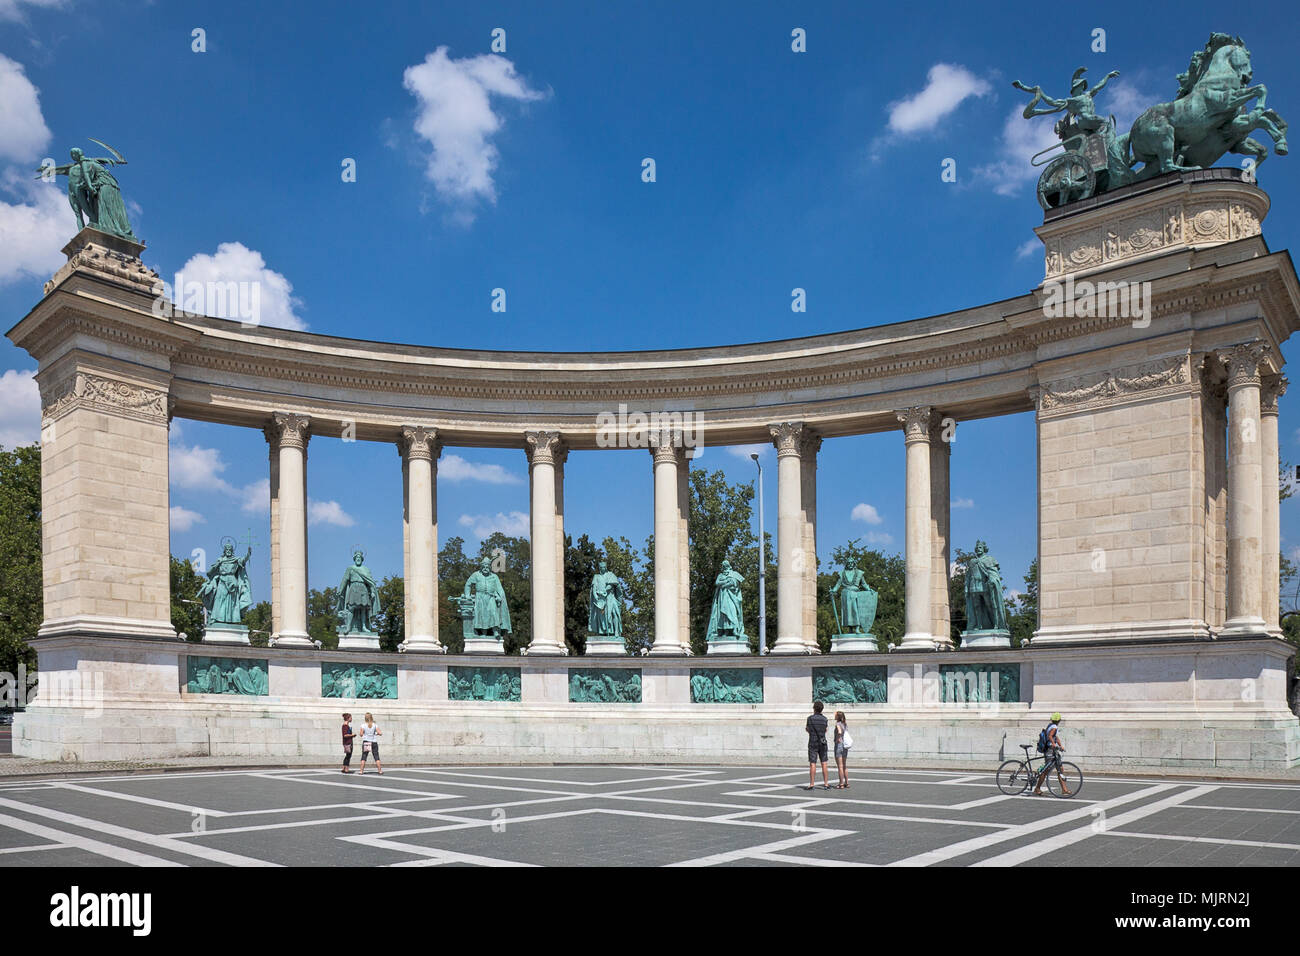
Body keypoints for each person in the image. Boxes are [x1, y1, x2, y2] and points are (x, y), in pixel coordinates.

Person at [1033, 712, 1069, 795]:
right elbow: (1050, 736)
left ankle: (1064, 789)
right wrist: (1053, 744)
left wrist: (1060, 745)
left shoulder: (1051, 726)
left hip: (1053, 751)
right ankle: (1037, 788)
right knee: (1046, 770)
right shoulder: (1054, 727)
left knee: (1060, 769)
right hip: (1050, 750)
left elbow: (1055, 737)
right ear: (1059, 720)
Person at [804, 701, 831, 790]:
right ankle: (826, 783)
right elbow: (826, 730)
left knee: (813, 763)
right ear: (822, 709)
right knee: (824, 763)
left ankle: (812, 784)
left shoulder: (810, 719)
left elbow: (807, 729)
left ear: (814, 708)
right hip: (823, 743)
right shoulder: (825, 719)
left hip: (813, 742)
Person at [833, 711, 851, 789]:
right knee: (844, 765)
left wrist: (837, 739)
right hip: (845, 746)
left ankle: (841, 783)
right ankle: (847, 782)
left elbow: (839, 732)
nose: (834, 715)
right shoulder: (845, 724)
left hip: (839, 745)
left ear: (838, 717)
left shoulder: (838, 724)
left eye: (835, 715)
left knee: (840, 766)